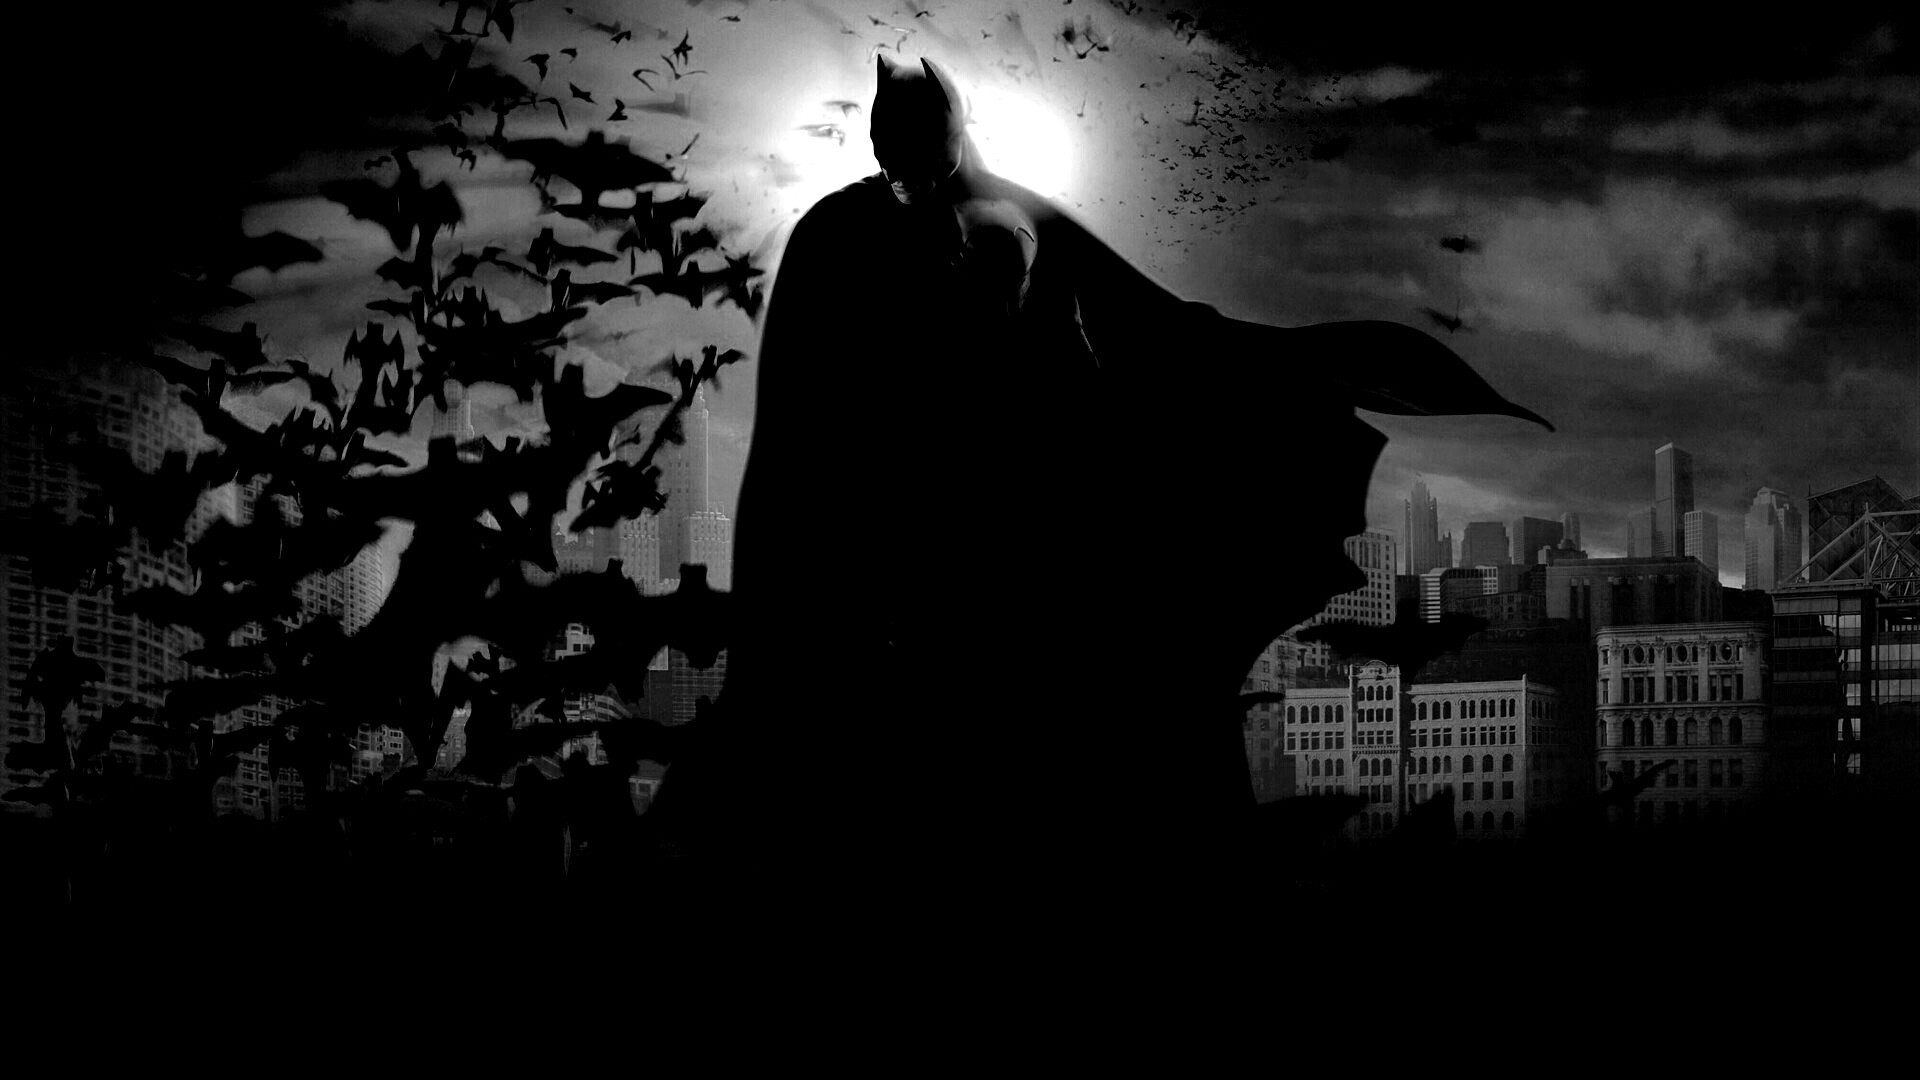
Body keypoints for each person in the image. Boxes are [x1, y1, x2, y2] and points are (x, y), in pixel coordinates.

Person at [653, 57, 1551, 908]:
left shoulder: (1006, 234)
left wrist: (1298, 367)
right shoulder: (840, 240)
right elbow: (795, 460)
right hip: (906, 613)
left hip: (1018, 597)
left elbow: (1157, 345)